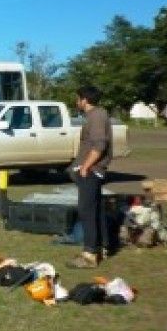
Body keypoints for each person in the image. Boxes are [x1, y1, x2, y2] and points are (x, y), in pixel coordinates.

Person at [67, 85, 113, 269]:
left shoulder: (97, 116)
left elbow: (100, 145)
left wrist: (85, 166)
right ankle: (102, 247)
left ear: (85, 100)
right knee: (95, 209)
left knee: (86, 210)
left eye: (78, 98)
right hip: (91, 169)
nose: (76, 101)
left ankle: (89, 254)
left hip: (92, 169)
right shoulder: (95, 116)